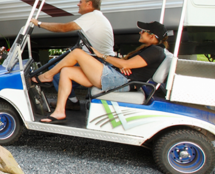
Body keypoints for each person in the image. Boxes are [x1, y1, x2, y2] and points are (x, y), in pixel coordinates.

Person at [33, 21, 169, 123]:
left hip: (120, 81)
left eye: (143, 31)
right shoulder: (151, 49)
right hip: (117, 77)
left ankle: (47, 76)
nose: (140, 32)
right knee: (67, 71)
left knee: (77, 53)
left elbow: (126, 64)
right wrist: (122, 64)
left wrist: (102, 55)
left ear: (152, 36)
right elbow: (128, 65)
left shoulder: (155, 51)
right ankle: (59, 112)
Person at [31, 0, 114, 57]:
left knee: (56, 66)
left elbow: (64, 28)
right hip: (98, 58)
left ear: (89, 4)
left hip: (98, 59)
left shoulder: (92, 16)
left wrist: (38, 23)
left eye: (81, 2)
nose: (78, 4)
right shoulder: (96, 16)